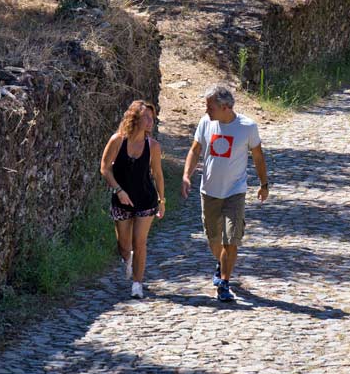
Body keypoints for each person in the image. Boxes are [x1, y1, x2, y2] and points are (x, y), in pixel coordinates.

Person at [181, 85, 268, 302]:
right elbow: (195, 149)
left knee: (232, 238)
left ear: (225, 107)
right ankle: (222, 263)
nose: (206, 110)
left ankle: (224, 282)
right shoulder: (205, 123)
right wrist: (186, 175)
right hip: (209, 191)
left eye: (210, 106)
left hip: (234, 192)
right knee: (213, 240)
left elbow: (258, 156)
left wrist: (263, 184)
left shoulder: (247, 127)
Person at [100, 100, 165, 299]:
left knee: (140, 242)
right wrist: (118, 190)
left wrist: (162, 200)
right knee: (124, 244)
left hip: (146, 199)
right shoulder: (117, 140)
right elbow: (104, 168)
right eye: (146, 117)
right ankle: (126, 259)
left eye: (152, 118)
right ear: (134, 118)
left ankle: (137, 284)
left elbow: (158, 174)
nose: (150, 122)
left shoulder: (152, 146)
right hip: (122, 200)